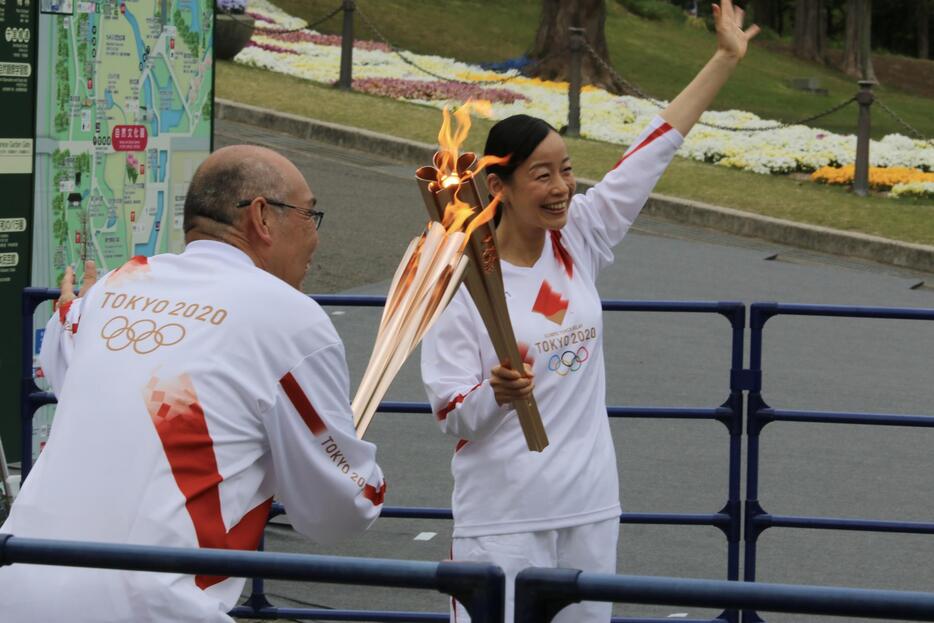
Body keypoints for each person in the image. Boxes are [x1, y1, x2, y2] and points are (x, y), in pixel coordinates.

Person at [420, 2, 759, 621]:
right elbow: (452, 418)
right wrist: (495, 392)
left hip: (589, 507)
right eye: (542, 175)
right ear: (498, 188)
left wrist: (724, 59)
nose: (562, 187)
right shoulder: (461, 281)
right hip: (503, 519)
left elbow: (654, 148)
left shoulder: (579, 236)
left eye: (567, 171)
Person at [0, 145, 386, 622]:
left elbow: (64, 354)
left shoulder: (120, 283)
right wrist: (365, 477)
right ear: (262, 217)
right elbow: (338, 510)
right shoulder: (287, 316)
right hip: (153, 605)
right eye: (310, 215)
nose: (315, 238)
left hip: (19, 582)